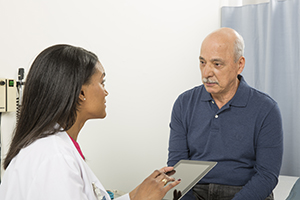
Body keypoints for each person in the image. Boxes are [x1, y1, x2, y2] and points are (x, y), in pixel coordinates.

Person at [0, 44, 181, 200]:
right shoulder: (55, 158)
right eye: (102, 82)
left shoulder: (53, 148)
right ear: (81, 93)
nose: (106, 92)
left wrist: (135, 195)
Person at [167, 27, 283, 200]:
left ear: (240, 64)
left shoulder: (266, 109)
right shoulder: (184, 103)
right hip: (195, 191)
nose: (206, 73)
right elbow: (176, 167)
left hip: (244, 192)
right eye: (202, 62)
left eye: (217, 64)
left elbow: (267, 176)